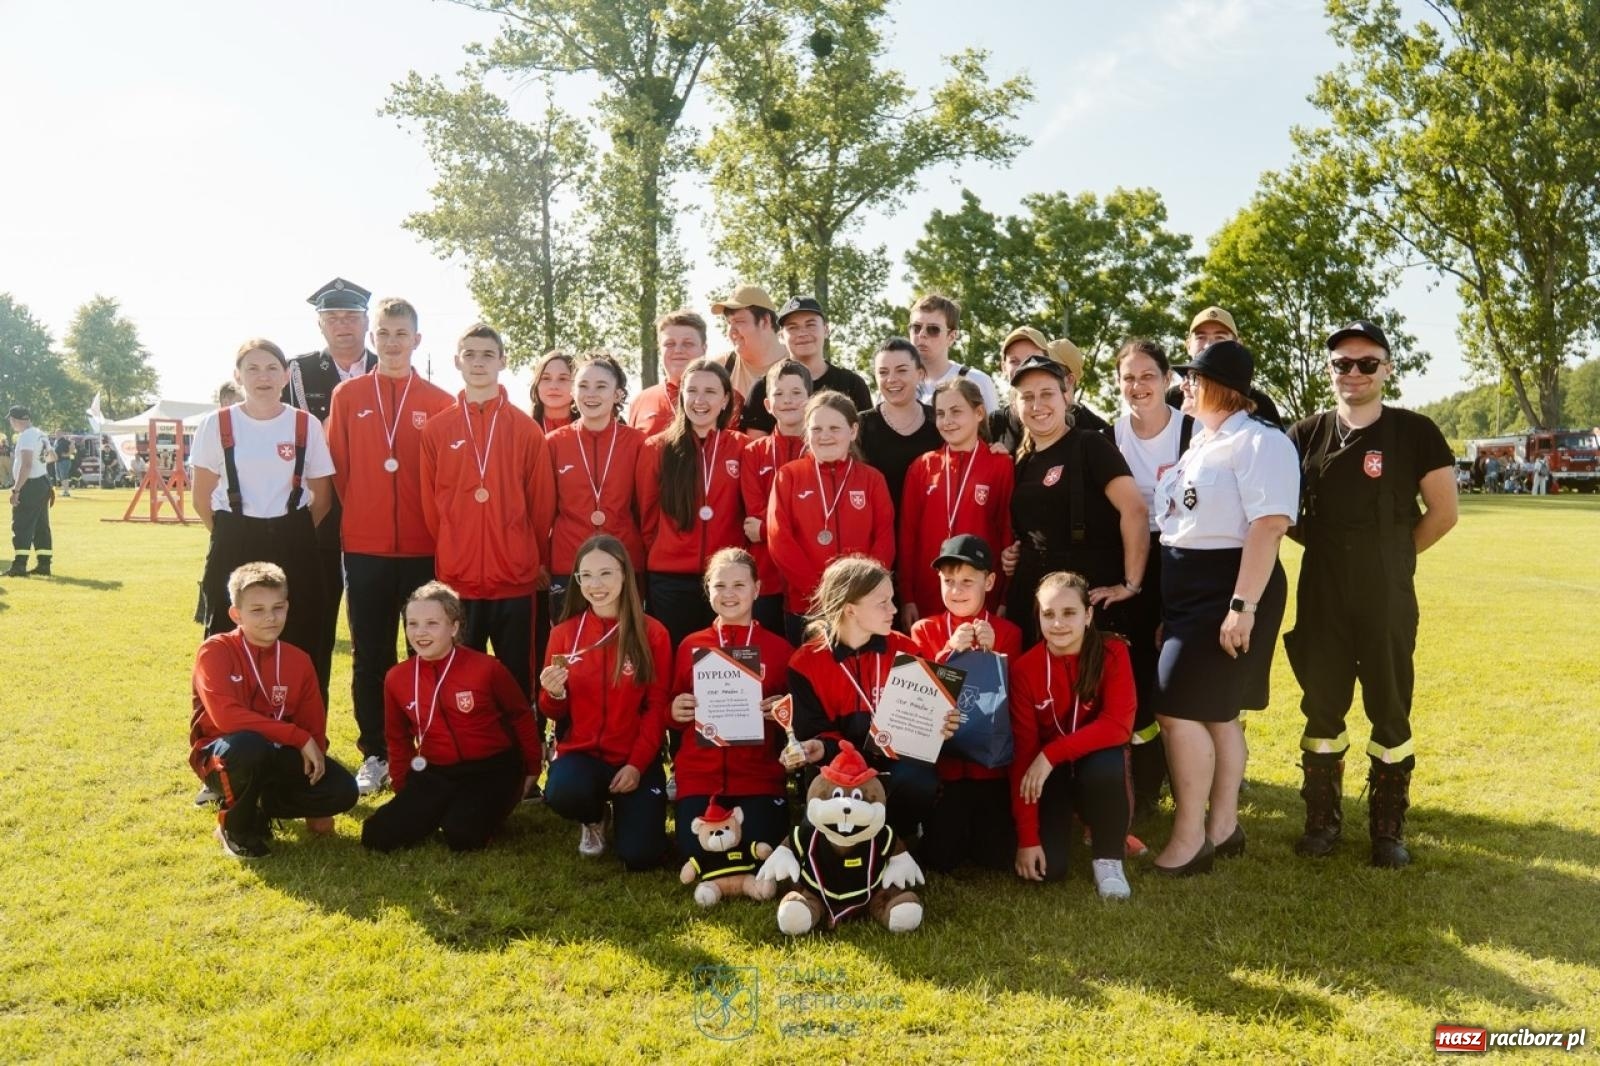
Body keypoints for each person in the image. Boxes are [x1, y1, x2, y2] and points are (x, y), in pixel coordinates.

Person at [1284, 320, 1457, 868]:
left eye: (1366, 363)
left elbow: (1444, 513)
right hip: (1322, 587)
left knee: (1389, 707)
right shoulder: (1304, 434)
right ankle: (1322, 818)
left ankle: (1387, 827)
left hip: (1386, 590)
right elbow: (1281, 513)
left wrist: (1395, 558)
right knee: (1322, 705)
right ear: (1330, 369)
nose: (1352, 373)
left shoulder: (1416, 431)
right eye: (1342, 363)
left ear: (1386, 368)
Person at [1150, 340, 1298, 876]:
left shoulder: (1261, 443)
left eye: (1193, 377)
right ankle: (1223, 829)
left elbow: (1269, 525)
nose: (1183, 384)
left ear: (1222, 388)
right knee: (1217, 713)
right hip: (1190, 590)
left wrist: (1242, 605)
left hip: (1229, 588)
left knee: (1174, 706)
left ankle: (1190, 840)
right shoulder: (1203, 442)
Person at [324, 297, 453, 797]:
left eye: (403, 333)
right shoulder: (348, 395)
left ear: (417, 340)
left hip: (423, 548)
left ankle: (431, 743)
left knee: (428, 650)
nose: (394, 342)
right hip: (366, 547)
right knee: (370, 653)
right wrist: (362, 514)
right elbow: (339, 468)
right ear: (373, 340)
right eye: (385, 333)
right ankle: (376, 752)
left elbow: (443, 479)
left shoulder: (441, 401)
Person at [420, 323, 557, 708]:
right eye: (471, 354)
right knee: (460, 680)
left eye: (487, 355)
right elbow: (432, 507)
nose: (478, 363)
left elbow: (541, 505)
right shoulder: (437, 429)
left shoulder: (526, 430)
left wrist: (524, 553)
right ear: (457, 361)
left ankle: (523, 762)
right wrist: (453, 545)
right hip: (458, 580)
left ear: (502, 361)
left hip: (513, 577)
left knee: (517, 680)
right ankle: (471, 758)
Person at [188, 562, 358, 858]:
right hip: (222, 753)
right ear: (236, 614)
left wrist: (316, 788)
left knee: (342, 790)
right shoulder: (215, 650)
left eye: (278, 607)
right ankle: (235, 826)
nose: (270, 618)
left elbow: (312, 726)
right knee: (249, 745)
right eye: (257, 610)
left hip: (277, 753)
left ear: (287, 607)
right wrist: (296, 736)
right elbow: (226, 718)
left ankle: (259, 803)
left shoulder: (299, 660)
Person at [361, 582, 542, 852]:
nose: (420, 632)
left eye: (432, 623)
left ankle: (477, 809)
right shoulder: (397, 678)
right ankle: (447, 807)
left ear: (454, 627)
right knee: (376, 835)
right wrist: (405, 791)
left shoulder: (486, 668)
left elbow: (521, 716)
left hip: (491, 768)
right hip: (437, 771)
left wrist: (531, 768)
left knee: (462, 834)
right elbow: (397, 738)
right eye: (412, 623)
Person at [786, 555, 959, 839]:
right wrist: (818, 747)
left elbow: (922, 725)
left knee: (917, 782)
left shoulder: (906, 650)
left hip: (894, 764)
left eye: (892, 599)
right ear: (851, 610)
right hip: (839, 768)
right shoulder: (805, 663)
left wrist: (940, 726)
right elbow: (812, 731)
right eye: (882, 603)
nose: (893, 609)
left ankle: (898, 836)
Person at [192, 340, 332, 665]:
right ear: (238, 377)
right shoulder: (217, 424)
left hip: (293, 537)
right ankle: (225, 714)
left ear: (285, 376)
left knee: (302, 633)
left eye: (271, 368)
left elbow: (322, 498)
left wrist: (290, 532)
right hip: (234, 537)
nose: (263, 377)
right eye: (252, 369)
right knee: (226, 635)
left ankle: (298, 714)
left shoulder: (304, 424)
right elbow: (201, 498)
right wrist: (233, 533)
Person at [538, 534, 671, 868]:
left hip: (633, 758)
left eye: (606, 573)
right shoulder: (564, 634)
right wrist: (553, 693)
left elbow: (657, 707)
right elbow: (553, 710)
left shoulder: (652, 633)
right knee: (563, 791)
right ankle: (594, 816)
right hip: (582, 756)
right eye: (587, 576)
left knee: (641, 857)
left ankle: (630, 810)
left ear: (624, 574)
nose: (596, 584)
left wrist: (637, 765)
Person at [1000, 354, 1149, 648]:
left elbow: (1135, 510)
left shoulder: (1090, 445)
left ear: (1066, 396)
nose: (1037, 405)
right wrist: (1013, 553)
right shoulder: (1022, 459)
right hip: (1032, 599)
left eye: (1046, 394)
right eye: (1027, 397)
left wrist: (1130, 584)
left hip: (1082, 600)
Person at [667, 548, 799, 863]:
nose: (729, 594)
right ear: (707, 590)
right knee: (698, 853)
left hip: (758, 777)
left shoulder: (779, 650)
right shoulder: (690, 646)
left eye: (739, 585)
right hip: (701, 775)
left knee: (760, 854)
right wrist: (674, 710)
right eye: (719, 586)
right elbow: (667, 711)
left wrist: (782, 709)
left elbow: (798, 718)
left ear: (757, 588)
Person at [1009, 571, 1135, 898]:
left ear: (1088, 615)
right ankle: (1076, 823)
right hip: (1052, 773)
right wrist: (1028, 839)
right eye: (1048, 614)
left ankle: (1109, 856)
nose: (1058, 624)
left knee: (1106, 765)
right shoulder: (1024, 669)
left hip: (1087, 760)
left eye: (1069, 613)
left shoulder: (1113, 652)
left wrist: (1051, 755)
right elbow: (1024, 755)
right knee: (1049, 871)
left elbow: (1118, 725)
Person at [1108, 338, 1193, 816]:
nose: (1138, 386)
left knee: (1177, 676)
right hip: (1131, 561)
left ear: (1167, 380)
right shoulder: (1111, 435)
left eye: (1147, 376)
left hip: (1183, 560)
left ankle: (1188, 781)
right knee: (1137, 672)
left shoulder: (1194, 430)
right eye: (1128, 377)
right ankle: (1142, 786)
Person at [284, 277, 379, 704]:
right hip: (316, 515)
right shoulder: (295, 371)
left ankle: (382, 742)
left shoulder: (389, 365)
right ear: (320, 325)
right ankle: (310, 733)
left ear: (367, 323)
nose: (343, 325)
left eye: (352, 317)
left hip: (378, 517)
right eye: (333, 318)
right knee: (312, 628)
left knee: (376, 636)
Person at [908, 534, 1023, 873]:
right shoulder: (924, 630)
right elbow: (918, 698)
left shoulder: (1008, 632)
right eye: (948, 581)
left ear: (989, 581)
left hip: (992, 769)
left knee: (996, 858)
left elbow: (1014, 697)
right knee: (942, 858)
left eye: (967, 582)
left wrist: (997, 653)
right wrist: (948, 652)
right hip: (947, 768)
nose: (956, 590)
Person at [636, 357, 749, 649]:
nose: (700, 400)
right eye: (692, 391)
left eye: (711, 392)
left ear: (725, 400)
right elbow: (647, 516)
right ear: (681, 396)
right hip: (670, 581)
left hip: (726, 580)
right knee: (675, 660)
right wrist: (666, 549)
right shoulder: (657, 449)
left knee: (723, 667)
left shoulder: (743, 447)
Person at [767, 392, 895, 644]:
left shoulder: (872, 479)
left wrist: (861, 594)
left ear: (853, 430)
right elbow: (779, 540)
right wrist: (821, 594)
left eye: (835, 428)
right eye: (816, 429)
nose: (825, 436)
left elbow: (884, 539)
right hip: (807, 606)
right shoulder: (789, 476)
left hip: (862, 607)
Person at [897, 378, 1014, 627]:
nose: (947, 420)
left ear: (979, 412)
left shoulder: (1000, 465)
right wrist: (907, 597)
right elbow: (908, 535)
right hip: (929, 593)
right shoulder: (923, 466)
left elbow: (1007, 533)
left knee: (976, 663)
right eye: (940, 413)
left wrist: (1005, 597)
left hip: (981, 594)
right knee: (929, 664)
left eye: (956, 411)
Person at [545, 354, 646, 622]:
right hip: (569, 563)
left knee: (624, 648)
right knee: (571, 646)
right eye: (583, 386)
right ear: (573, 392)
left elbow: (646, 509)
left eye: (601, 386)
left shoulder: (638, 444)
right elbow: (543, 510)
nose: (591, 394)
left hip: (623, 562)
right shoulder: (553, 443)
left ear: (617, 394)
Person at [741, 359, 814, 633]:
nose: (788, 401)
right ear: (768, 405)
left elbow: (818, 518)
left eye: (796, 393)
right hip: (766, 576)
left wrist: (766, 528)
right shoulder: (753, 453)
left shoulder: (822, 450)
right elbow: (754, 513)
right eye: (779, 394)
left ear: (810, 400)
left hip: (808, 573)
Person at [740, 297, 871, 437]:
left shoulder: (851, 384)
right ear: (781, 336)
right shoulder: (765, 387)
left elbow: (865, 442)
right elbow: (755, 449)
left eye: (810, 325)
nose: (802, 333)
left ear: (826, 329)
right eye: (793, 327)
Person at [989, 329, 1110, 452]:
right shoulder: (995, 422)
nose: (1024, 366)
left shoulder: (1092, 434)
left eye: (1033, 359)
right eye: (1014, 361)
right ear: (1003, 367)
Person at [1165, 307, 1285, 428]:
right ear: (1188, 345)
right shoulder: (1172, 399)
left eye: (1220, 338)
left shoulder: (1259, 403)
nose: (1208, 345)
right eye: (1201, 337)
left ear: (1237, 345)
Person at [859, 338, 942, 504]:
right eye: (883, 372)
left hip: (931, 525)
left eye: (901, 370)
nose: (891, 379)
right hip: (877, 527)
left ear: (920, 374)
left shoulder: (940, 421)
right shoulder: (859, 425)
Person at [907, 294, 1000, 413]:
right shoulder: (897, 383)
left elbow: (993, 431)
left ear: (951, 337)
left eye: (933, 329)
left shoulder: (977, 381)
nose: (922, 334)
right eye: (916, 327)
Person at [629, 309, 708, 440]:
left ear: (704, 349)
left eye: (688, 344)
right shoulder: (640, 402)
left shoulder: (729, 399)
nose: (678, 350)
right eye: (669, 344)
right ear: (660, 349)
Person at [711, 284, 786, 402]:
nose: (731, 332)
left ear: (765, 321)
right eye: (729, 323)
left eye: (739, 321)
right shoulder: (718, 368)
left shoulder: (802, 367)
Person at [6, 406, 53, 577]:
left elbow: (26, 465)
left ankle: (19, 565)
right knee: (41, 525)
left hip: (30, 484)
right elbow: (52, 456)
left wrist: (16, 489)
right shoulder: (40, 433)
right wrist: (40, 464)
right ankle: (44, 564)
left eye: (11, 420)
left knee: (22, 524)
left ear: (16, 420)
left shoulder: (26, 436)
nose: (11, 424)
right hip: (42, 481)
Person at [529, 349, 576, 434]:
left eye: (562, 379)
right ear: (536, 384)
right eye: (546, 378)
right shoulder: (522, 429)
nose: (553, 386)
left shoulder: (591, 430)